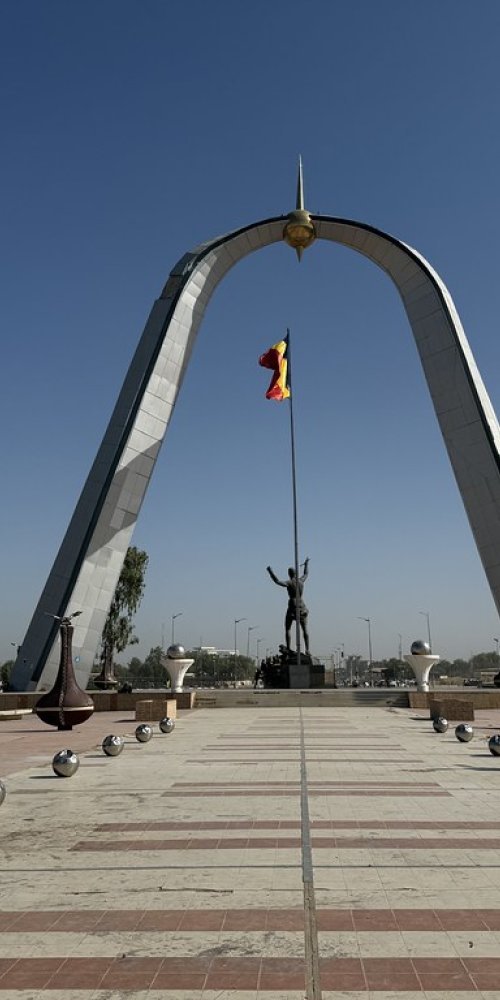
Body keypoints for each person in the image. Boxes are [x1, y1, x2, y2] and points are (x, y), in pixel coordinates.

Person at [266, 558, 310, 653]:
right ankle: (307, 649)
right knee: (305, 629)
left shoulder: (289, 583)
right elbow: (306, 574)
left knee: (287, 628)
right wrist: (306, 564)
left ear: (289, 574)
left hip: (292, 606)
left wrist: (270, 572)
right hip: (302, 606)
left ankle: (289, 647)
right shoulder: (301, 581)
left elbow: (277, 581)